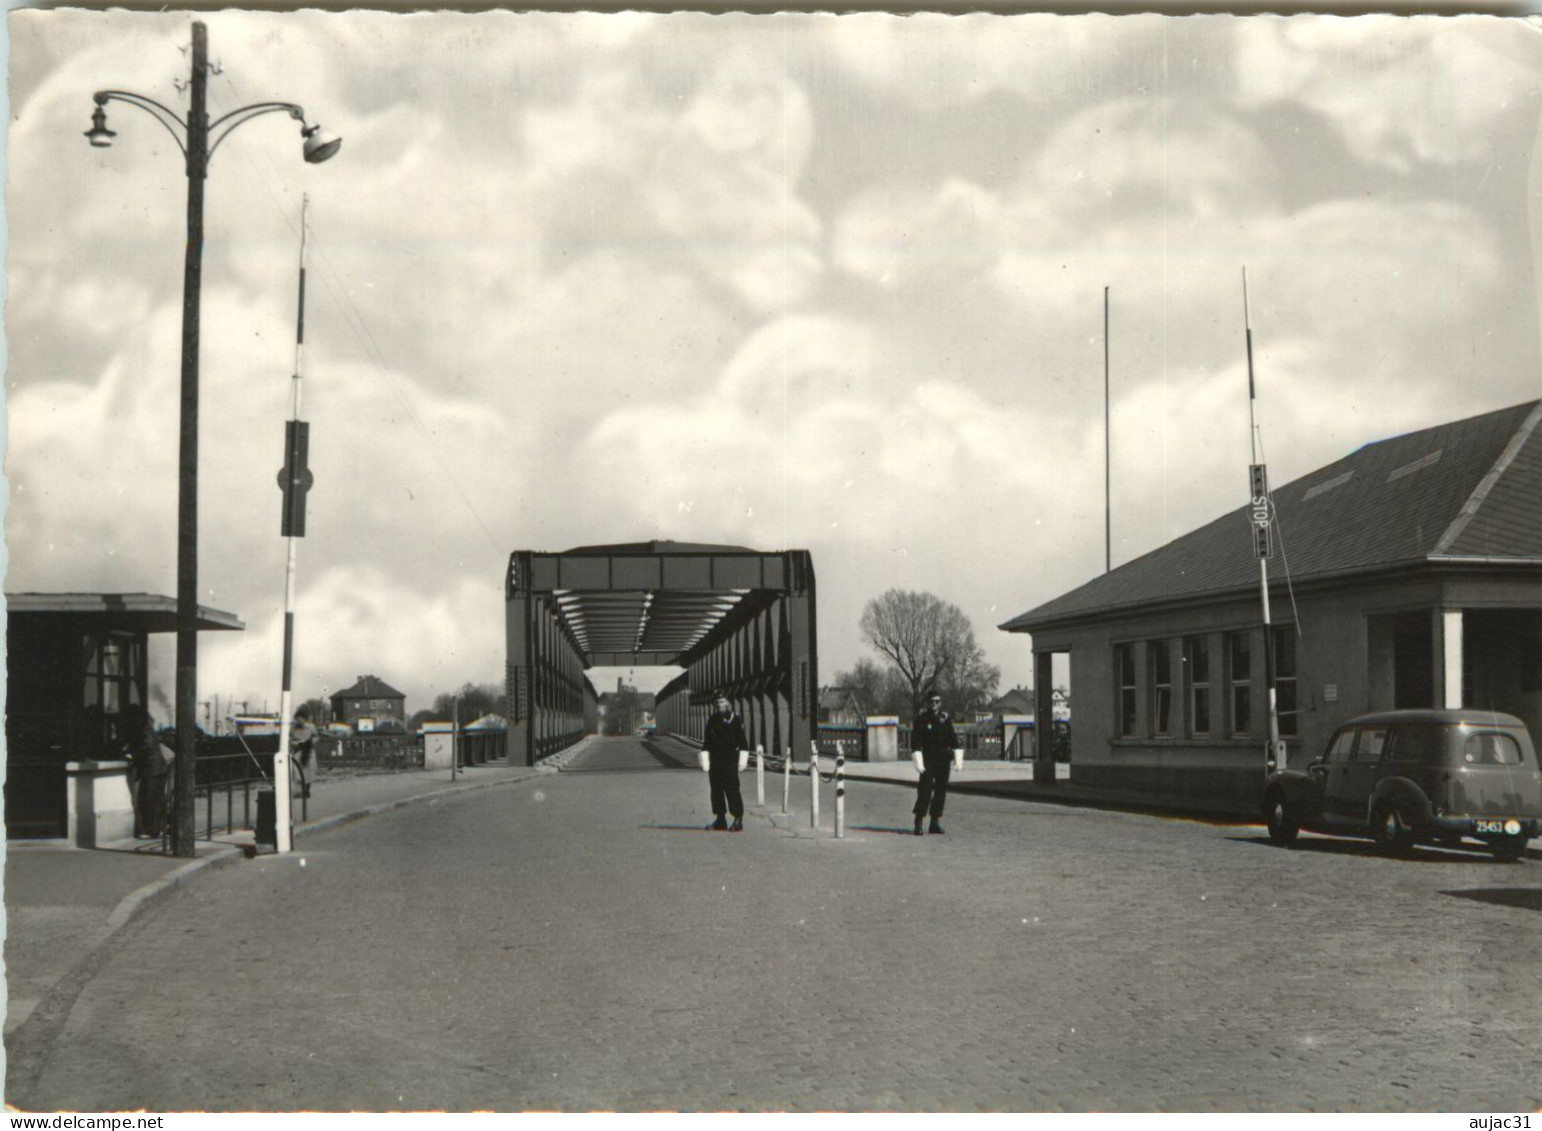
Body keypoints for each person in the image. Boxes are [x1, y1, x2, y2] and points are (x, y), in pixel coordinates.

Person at [911, 692, 960, 836]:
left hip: (943, 758)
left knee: (940, 790)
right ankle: (918, 822)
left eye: (937, 702)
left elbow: (953, 739)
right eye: (931, 701)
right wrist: (918, 759)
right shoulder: (922, 719)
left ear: (940, 703)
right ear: (927, 703)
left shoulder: (945, 719)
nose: (934, 704)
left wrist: (957, 755)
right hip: (928, 757)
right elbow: (915, 741)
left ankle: (934, 822)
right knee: (925, 790)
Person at [123, 705, 172, 839]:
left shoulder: (143, 729)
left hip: (152, 768)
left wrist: (132, 755)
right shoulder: (146, 727)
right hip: (156, 767)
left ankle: (151, 830)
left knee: (148, 799)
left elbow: (145, 748)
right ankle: (158, 828)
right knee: (155, 799)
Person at [702, 692, 748, 832]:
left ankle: (738, 819)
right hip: (715, 759)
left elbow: (743, 743)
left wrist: (742, 761)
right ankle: (720, 819)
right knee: (716, 790)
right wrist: (705, 758)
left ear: (728, 703)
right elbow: (707, 742)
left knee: (732, 789)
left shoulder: (735, 720)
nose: (719, 705)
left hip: (730, 759)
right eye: (716, 703)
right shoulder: (712, 720)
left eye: (722, 702)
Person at [290, 708, 319, 801]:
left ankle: (306, 789)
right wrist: (294, 743)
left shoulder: (311, 727)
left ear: (305, 719)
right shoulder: (292, 728)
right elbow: (289, 739)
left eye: (301, 719)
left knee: (309, 771)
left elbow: (316, 736)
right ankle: (300, 790)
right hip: (298, 751)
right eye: (297, 719)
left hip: (308, 751)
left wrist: (311, 742)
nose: (299, 721)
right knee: (297, 771)